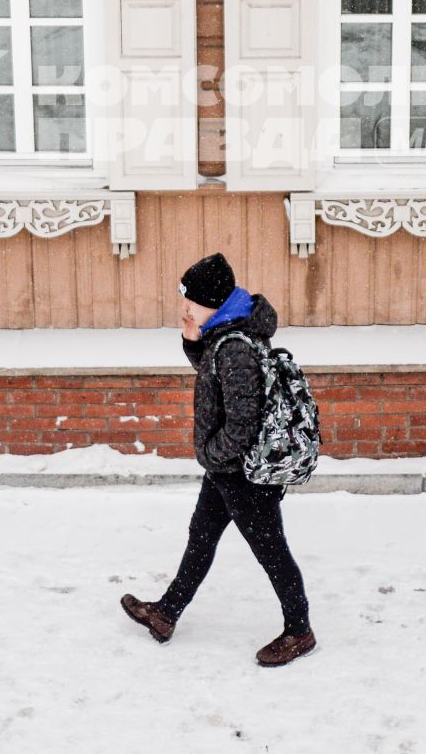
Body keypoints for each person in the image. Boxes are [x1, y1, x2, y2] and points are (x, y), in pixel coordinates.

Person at [120, 252, 316, 667]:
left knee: (272, 551)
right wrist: (193, 341)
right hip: (225, 469)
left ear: (211, 299)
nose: (185, 307)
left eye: (190, 300)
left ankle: (299, 631)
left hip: (242, 474)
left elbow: (241, 421)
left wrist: (213, 453)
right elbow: (216, 377)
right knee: (202, 537)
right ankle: (166, 613)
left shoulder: (234, 347)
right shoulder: (228, 332)